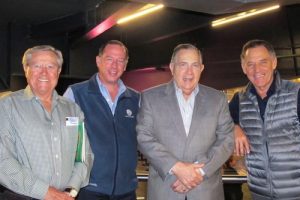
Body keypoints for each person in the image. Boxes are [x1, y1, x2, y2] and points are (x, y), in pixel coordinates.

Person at [137, 43, 234, 200]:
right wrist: (177, 168)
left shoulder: (217, 99)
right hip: (165, 190)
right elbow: (143, 137)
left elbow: (227, 140)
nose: (189, 72)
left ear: (201, 68)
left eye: (195, 65)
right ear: (172, 67)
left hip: (206, 191)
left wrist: (197, 173)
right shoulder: (150, 98)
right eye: (183, 64)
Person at [0, 45, 93, 200]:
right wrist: (44, 191)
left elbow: (83, 154)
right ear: (26, 69)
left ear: (58, 71)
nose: (44, 72)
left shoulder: (73, 110)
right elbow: (2, 159)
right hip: (21, 196)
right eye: (37, 66)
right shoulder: (7, 106)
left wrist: (71, 189)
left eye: (50, 66)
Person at [63, 40, 139, 200]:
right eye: (109, 59)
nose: (114, 65)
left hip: (126, 190)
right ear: (98, 61)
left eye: (120, 61)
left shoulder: (135, 99)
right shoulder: (76, 94)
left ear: (125, 65)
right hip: (89, 189)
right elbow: (64, 139)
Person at [229, 39, 300, 199]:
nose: (257, 70)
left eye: (263, 62)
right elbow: (221, 121)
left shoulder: (296, 93)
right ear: (243, 67)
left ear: (274, 63)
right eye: (250, 64)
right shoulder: (239, 100)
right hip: (259, 193)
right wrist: (234, 127)